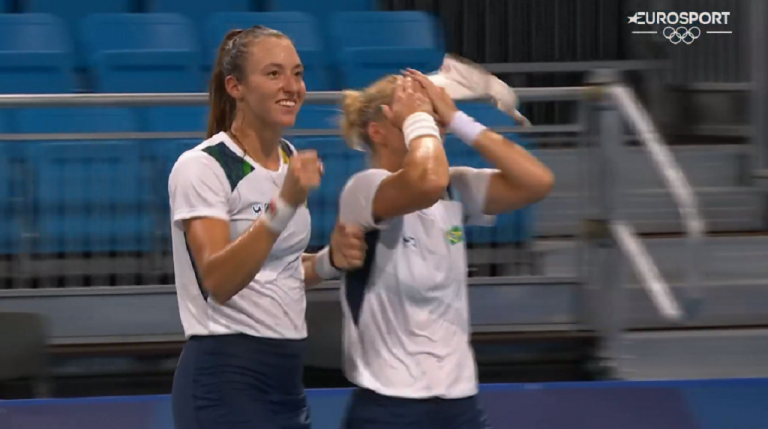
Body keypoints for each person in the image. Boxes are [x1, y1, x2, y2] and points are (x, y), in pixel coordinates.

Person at [167, 26, 366, 429]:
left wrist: (330, 261)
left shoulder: (289, 158)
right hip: (224, 375)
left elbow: (278, 270)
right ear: (235, 86)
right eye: (273, 74)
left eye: (297, 72)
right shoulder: (203, 166)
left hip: (287, 376)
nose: (292, 86)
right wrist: (285, 205)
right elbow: (219, 280)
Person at [336, 70, 555, 429]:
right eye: (410, 116)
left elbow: (538, 182)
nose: (429, 123)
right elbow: (426, 180)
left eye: (430, 116)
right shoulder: (363, 189)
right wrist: (420, 117)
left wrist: (457, 118)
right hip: (388, 401)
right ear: (377, 132)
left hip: (458, 400)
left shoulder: (454, 187)